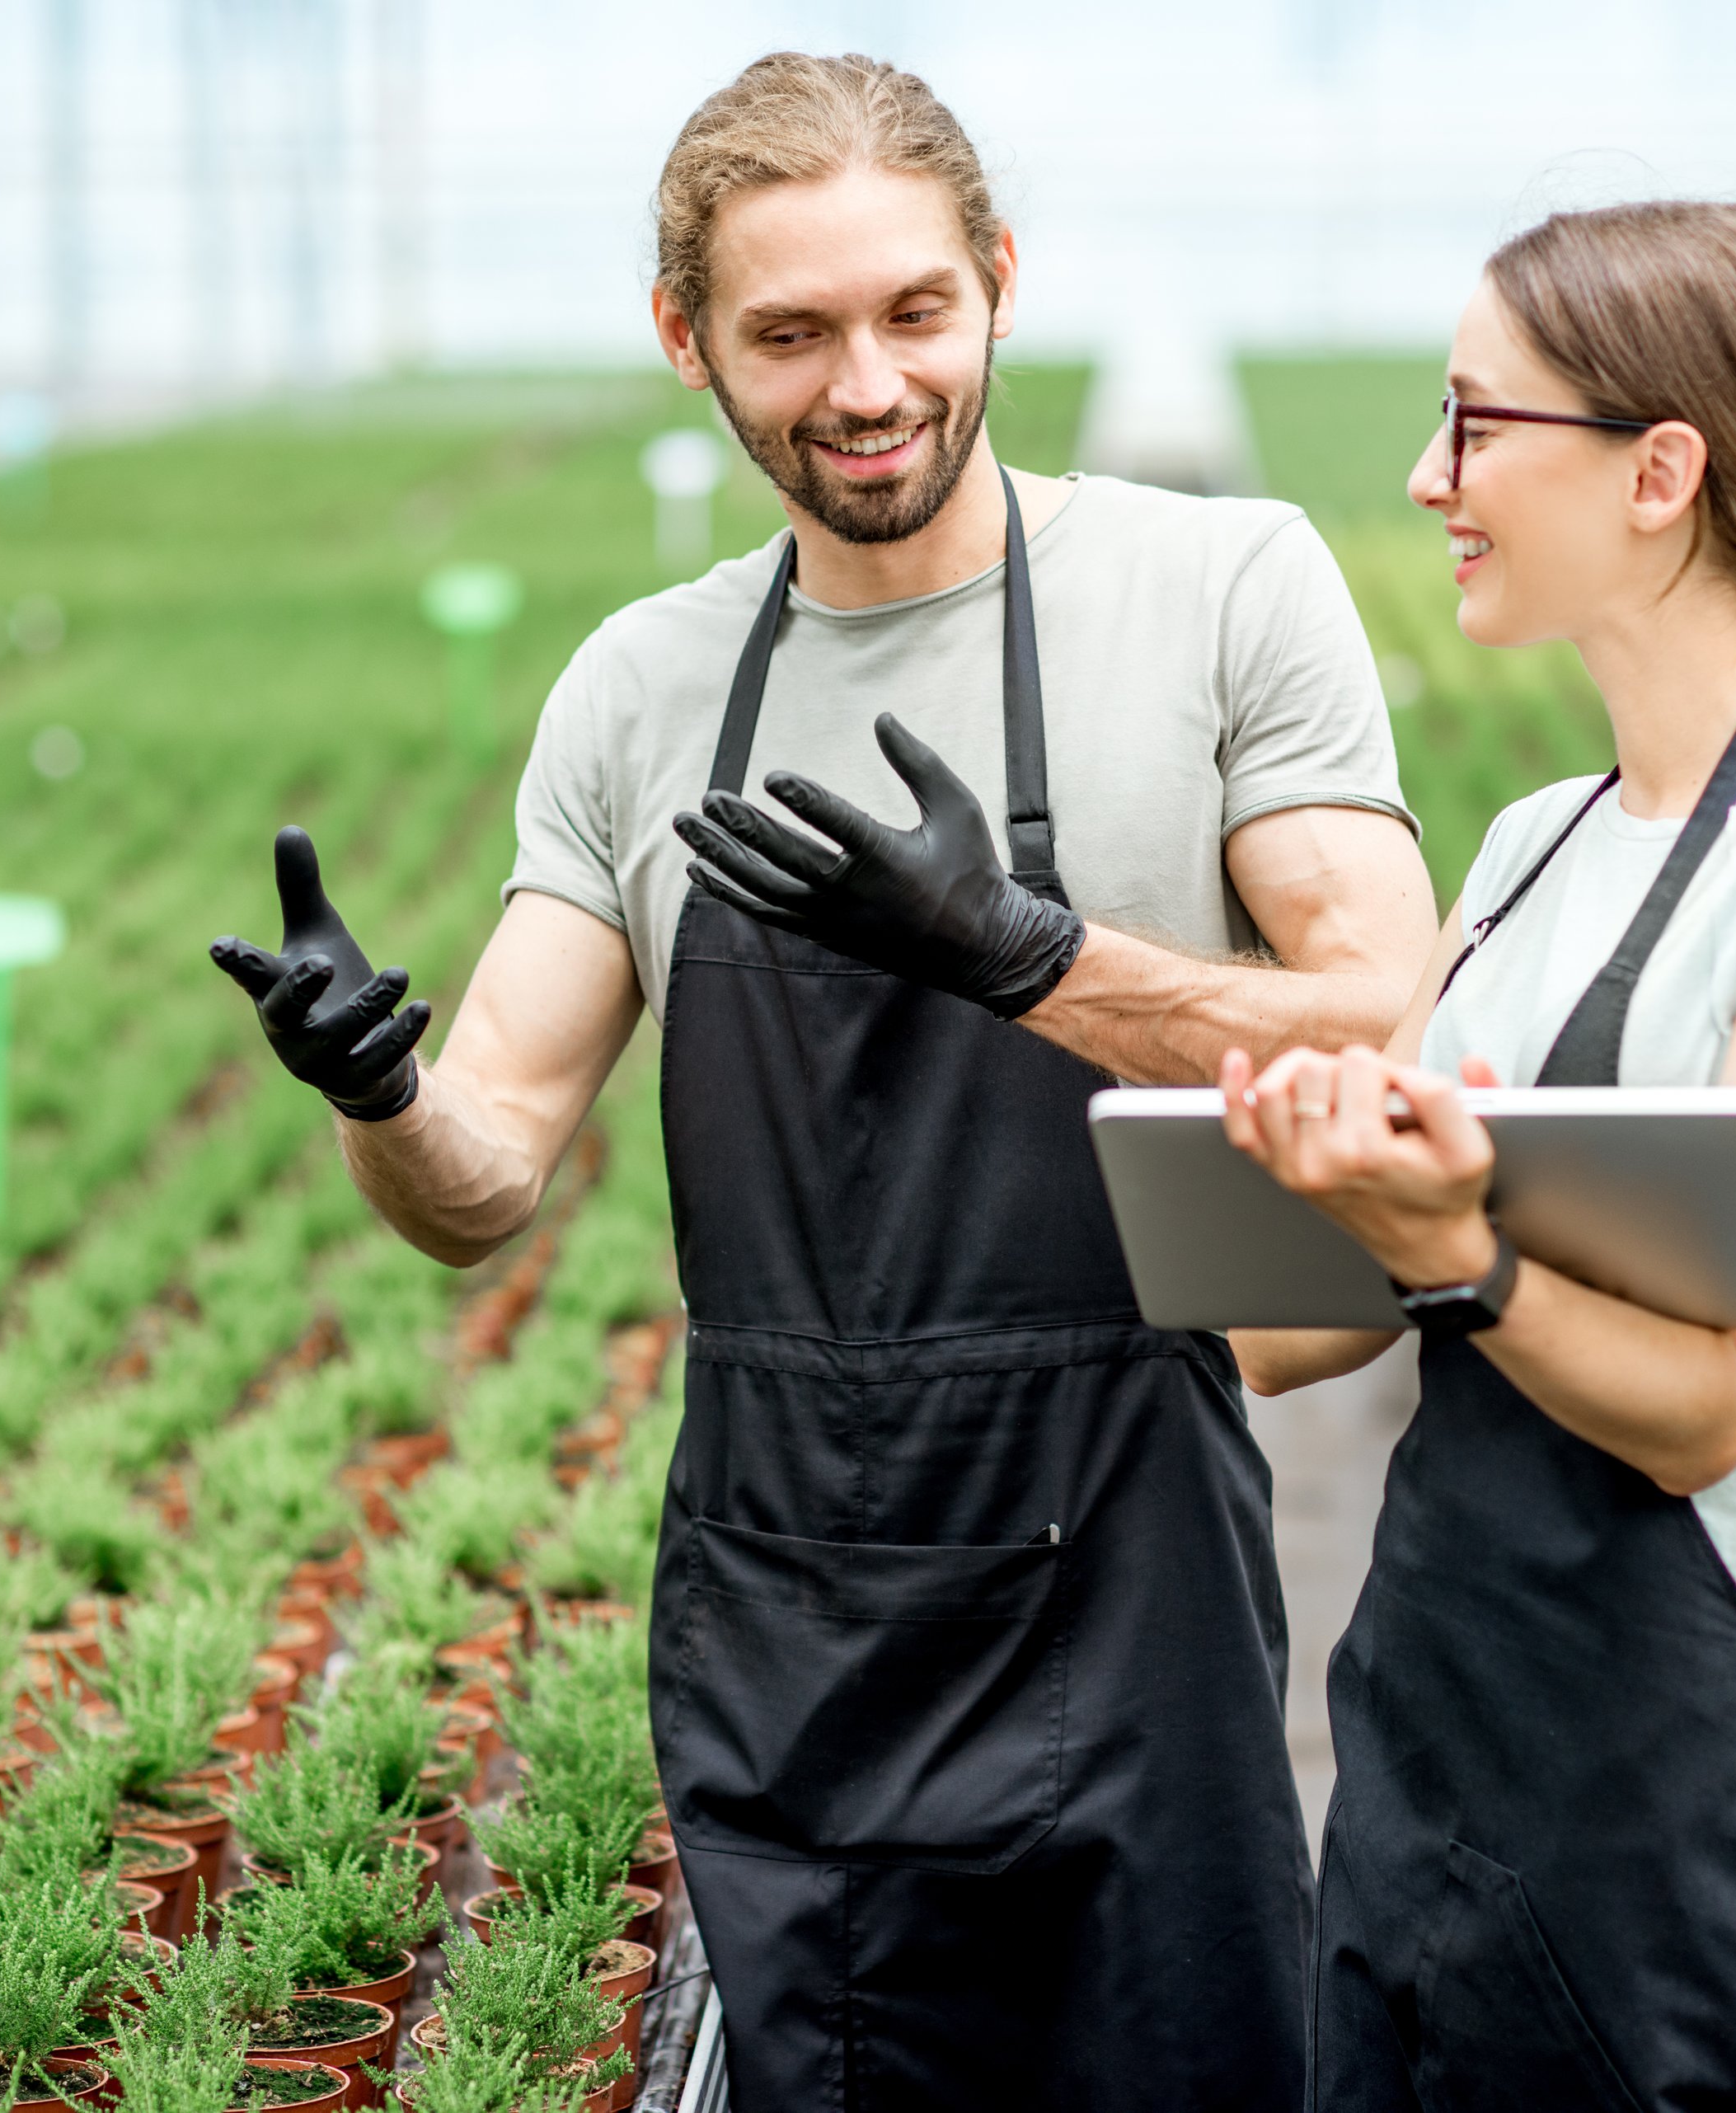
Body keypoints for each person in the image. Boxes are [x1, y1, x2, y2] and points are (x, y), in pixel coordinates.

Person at [207, 51, 1437, 2112]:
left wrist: (1031, 954)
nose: (864, 385)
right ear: (686, 338)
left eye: (912, 314)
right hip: (794, 1581)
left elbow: (1375, 1008)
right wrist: (379, 1094)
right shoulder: (644, 685)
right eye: (789, 333)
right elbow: (486, 1171)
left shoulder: (1218, 590)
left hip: (1129, 1551)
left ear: (1001, 283)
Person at [1220, 201, 1736, 2113]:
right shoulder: (1533, 845)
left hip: (1668, 1814)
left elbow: (1715, 1406)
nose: (1430, 477)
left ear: (1661, 471)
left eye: (1480, 424)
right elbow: (1291, 1334)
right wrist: (1087, 1021)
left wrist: (1464, 1248)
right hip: (1425, 1753)